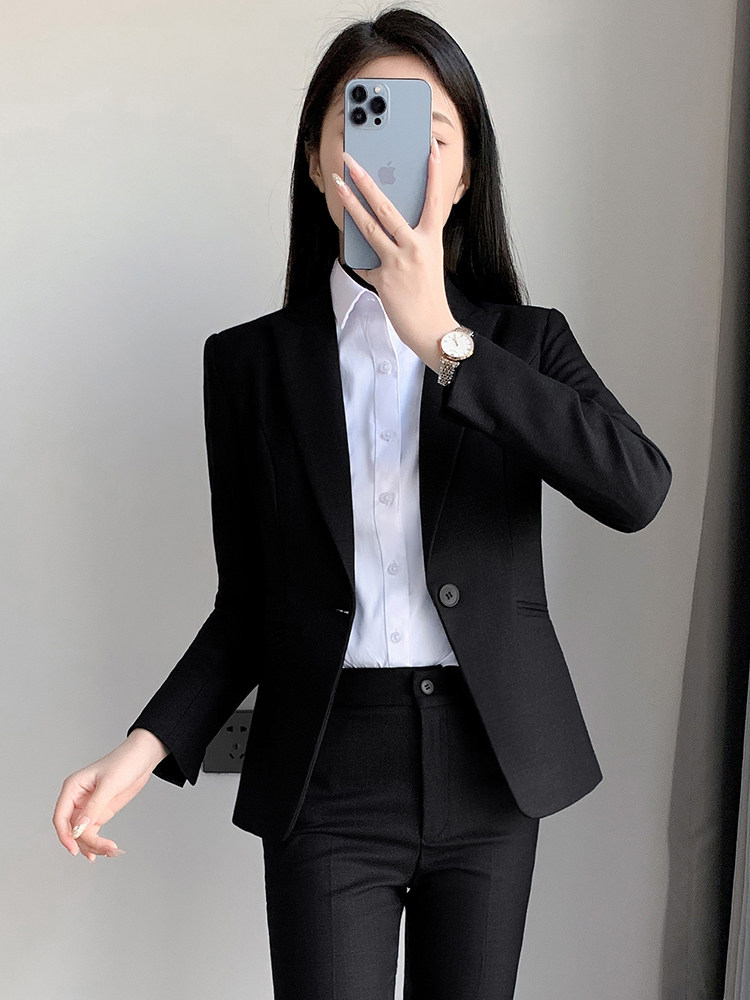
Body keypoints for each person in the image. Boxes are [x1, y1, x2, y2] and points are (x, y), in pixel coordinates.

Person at [53, 7, 672, 998]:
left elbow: (637, 487)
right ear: (317, 160)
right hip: (327, 771)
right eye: (364, 123)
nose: (396, 162)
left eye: (432, 136)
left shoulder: (526, 343)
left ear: (465, 175)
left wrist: (448, 346)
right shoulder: (249, 366)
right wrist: (142, 748)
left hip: (492, 765)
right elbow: (248, 606)